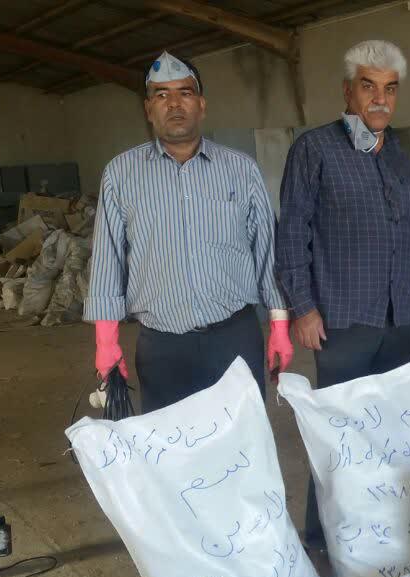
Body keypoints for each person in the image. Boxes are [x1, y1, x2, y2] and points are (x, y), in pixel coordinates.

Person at [276, 40, 410, 549]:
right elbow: (292, 230)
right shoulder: (314, 149)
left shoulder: (397, 152)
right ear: (348, 91)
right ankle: (324, 537)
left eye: (390, 89)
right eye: (369, 86)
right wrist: (302, 307)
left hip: (398, 318)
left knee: (389, 428)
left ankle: (379, 530)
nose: (380, 99)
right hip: (342, 318)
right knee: (339, 433)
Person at [84, 52, 292, 411]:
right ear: (148, 109)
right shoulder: (121, 174)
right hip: (162, 347)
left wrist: (280, 327)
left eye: (185, 92)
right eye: (161, 95)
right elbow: (108, 261)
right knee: (172, 441)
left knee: (242, 438)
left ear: (202, 105)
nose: (174, 103)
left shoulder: (241, 170)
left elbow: (267, 253)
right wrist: (106, 343)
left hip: (235, 339)